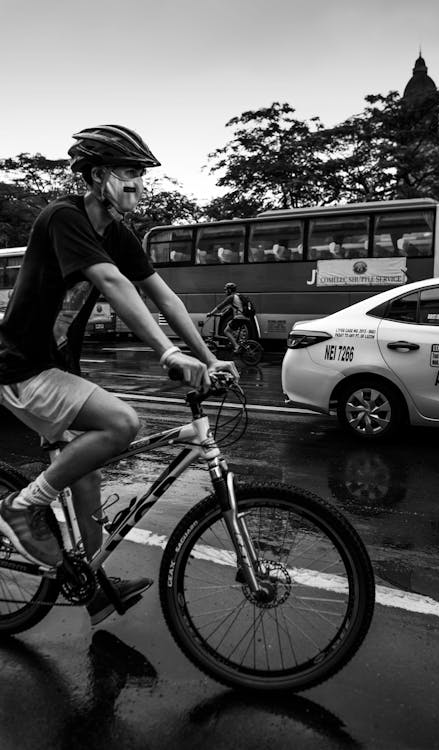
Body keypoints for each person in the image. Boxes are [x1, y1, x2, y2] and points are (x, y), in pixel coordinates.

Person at [0, 124, 238, 625]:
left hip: (56, 366)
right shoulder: (62, 217)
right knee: (122, 424)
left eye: (141, 175)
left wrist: (210, 357)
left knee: (85, 467)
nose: (139, 184)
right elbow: (110, 281)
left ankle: (94, 588)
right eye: (130, 173)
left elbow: (163, 295)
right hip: (19, 365)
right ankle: (22, 508)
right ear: (97, 176)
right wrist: (168, 354)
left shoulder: (118, 233)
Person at [207, 282, 253, 352]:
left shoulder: (231, 297)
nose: (225, 292)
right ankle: (235, 344)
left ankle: (236, 347)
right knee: (230, 327)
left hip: (239, 318)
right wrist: (222, 314)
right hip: (246, 317)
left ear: (229, 290)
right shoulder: (239, 296)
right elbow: (231, 309)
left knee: (226, 331)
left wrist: (211, 313)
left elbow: (220, 306)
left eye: (226, 290)